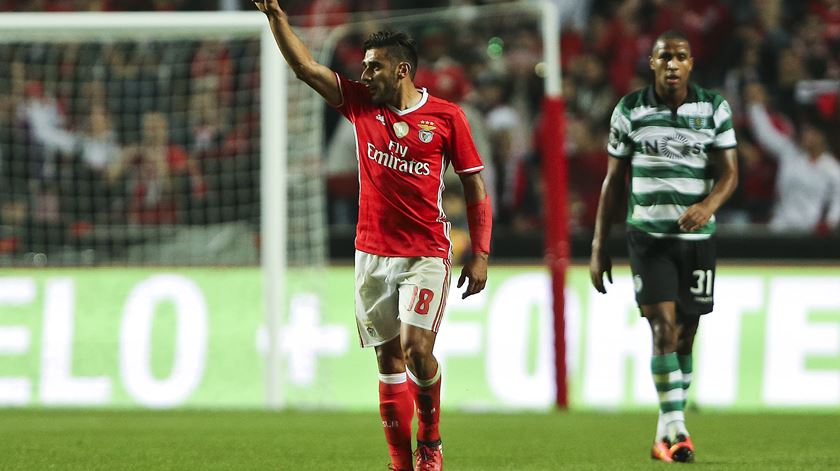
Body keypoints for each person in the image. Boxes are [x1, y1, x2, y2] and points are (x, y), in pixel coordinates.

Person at [253, 2, 493, 470]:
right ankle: (401, 464)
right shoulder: (361, 105)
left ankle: (432, 440)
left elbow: (475, 184)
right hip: (371, 256)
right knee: (388, 363)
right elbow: (305, 67)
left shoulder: (446, 118)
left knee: (416, 350)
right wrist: (276, 17)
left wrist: (480, 252)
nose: (364, 75)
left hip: (426, 254)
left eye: (373, 67)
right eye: (363, 67)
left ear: (401, 70)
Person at [589, 30, 738, 463]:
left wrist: (707, 205)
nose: (672, 64)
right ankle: (677, 428)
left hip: (696, 241)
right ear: (651, 63)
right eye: (664, 57)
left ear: (691, 63)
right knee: (662, 329)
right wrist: (600, 243)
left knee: (686, 335)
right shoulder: (630, 110)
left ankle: (664, 430)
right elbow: (613, 181)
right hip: (648, 237)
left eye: (680, 57)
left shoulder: (713, 108)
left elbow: (730, 173)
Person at [744, 82, 840, 234]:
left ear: (821, 137)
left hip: (808, 233)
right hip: (779, 227)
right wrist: (756, 106)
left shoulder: (831, 167)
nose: (805, 135)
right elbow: (765, 134)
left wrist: (830, 222)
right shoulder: (790, 153)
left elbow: (838, 199)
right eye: (805, 131)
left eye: (810, 132)